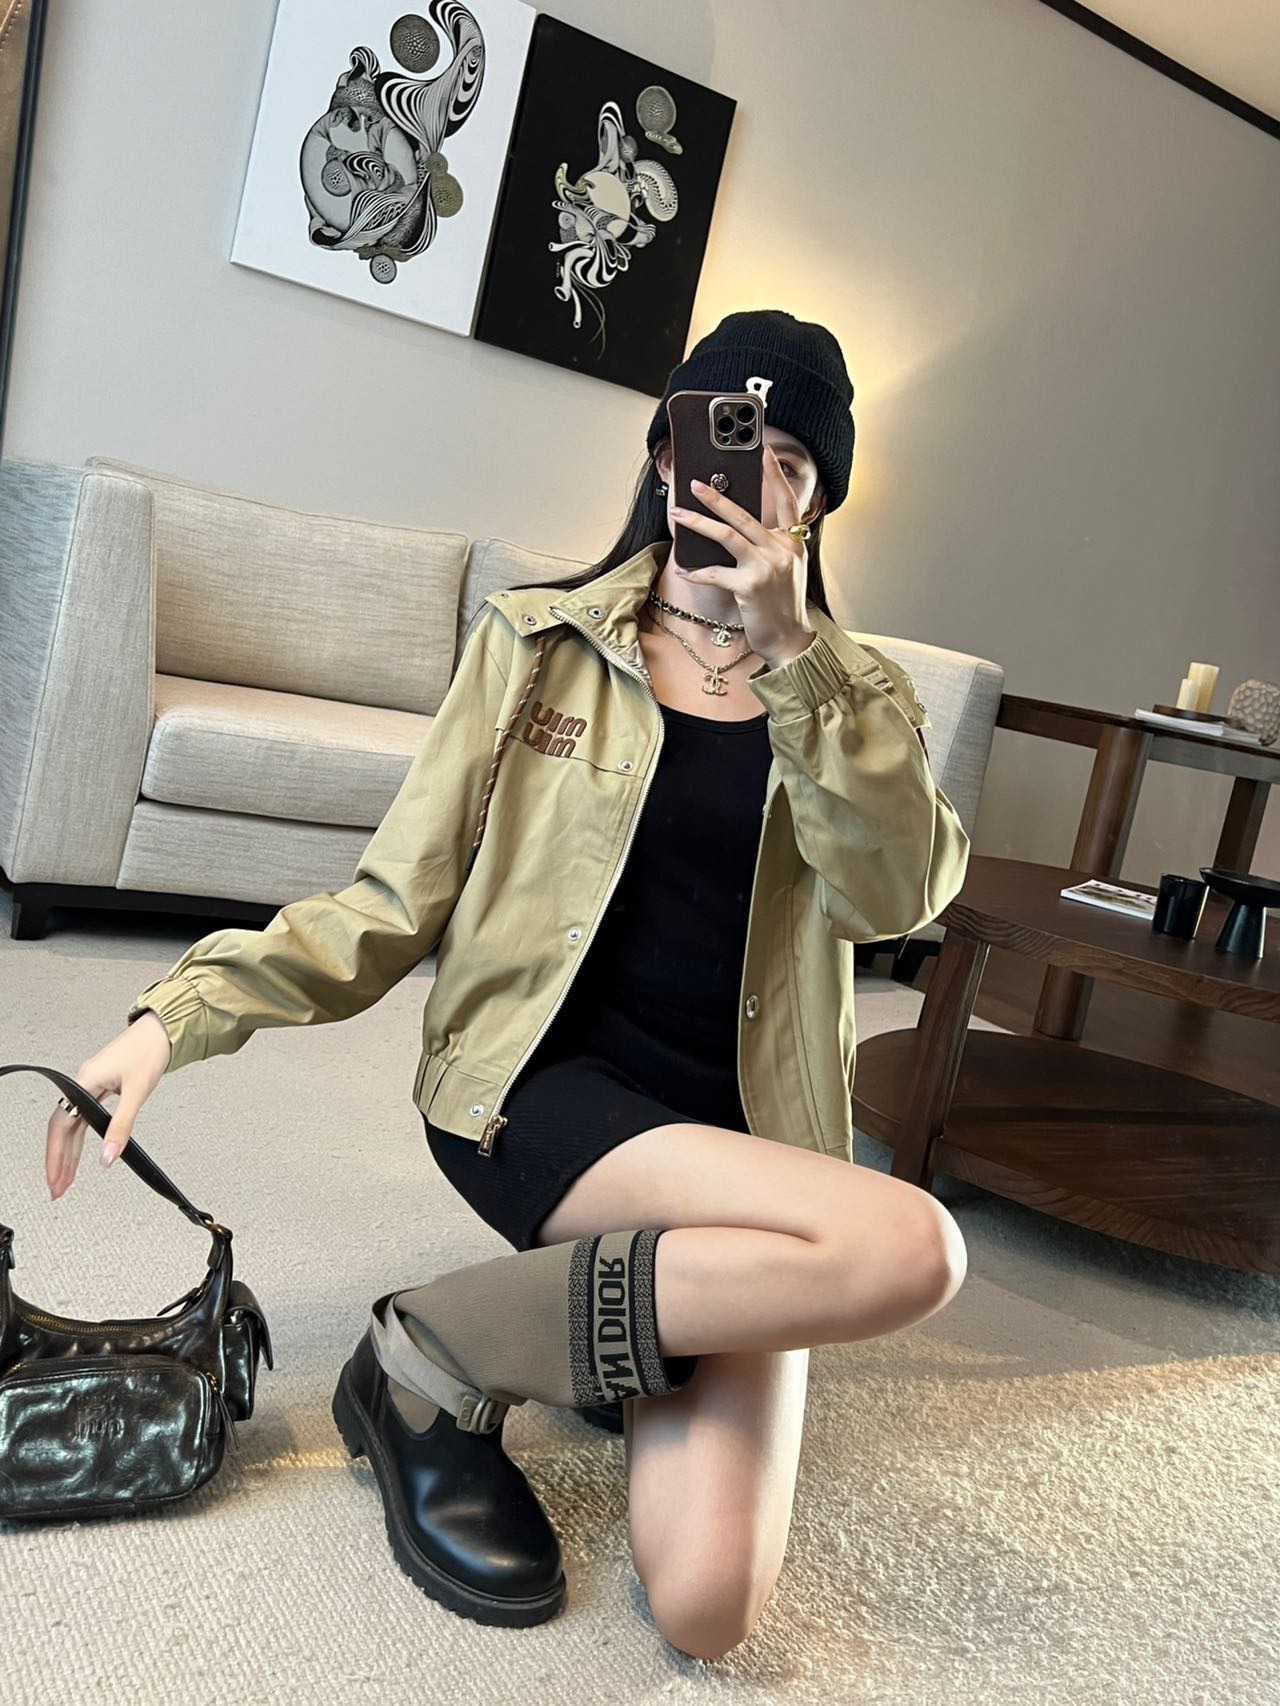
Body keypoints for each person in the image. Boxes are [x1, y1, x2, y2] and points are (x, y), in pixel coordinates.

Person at [44, 309, 972, 1658]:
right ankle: (439, 1350)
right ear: (664, 457)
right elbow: (390, 904)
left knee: (708, 1605)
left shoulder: (856, 691)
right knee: (910, 1245)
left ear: (815, 502)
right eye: (715, 442)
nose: (741, 481)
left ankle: (538, 1326)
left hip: (751, 1139)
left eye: (782, 463)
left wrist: (795, 660)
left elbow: (900, 901)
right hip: (547, 1093)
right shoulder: (539, 644)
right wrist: (170, 1020)